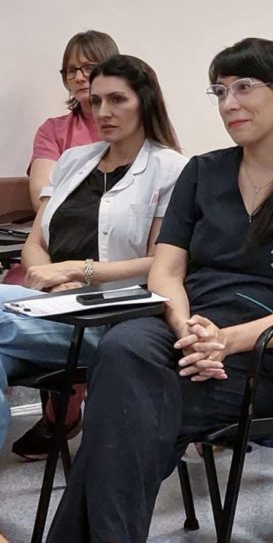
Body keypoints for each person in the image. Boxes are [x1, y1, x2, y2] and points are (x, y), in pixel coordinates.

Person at [46, 38, 273, 543]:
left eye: (244, 87)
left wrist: (228, 341)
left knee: (123, 412)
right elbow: (166, 273)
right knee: (124, 346)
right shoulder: (203, 171)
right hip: (184, 327)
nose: (229, 103)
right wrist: (187, 327)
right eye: (219, 91)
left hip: (263, 351)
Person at [0, 54, 186, 456]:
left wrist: (80, 272)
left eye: (118, 100)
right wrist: (49, 277)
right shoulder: (73, 161)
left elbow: (163, 262)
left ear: (146, 101)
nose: (103, 111)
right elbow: (36, 241)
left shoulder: (171, 169)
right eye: (97, 101)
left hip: (117, 317)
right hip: (50, 304)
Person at [28, 30, 120, 210]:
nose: (78, 78)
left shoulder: (137, 125)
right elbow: (41, 196)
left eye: (89, 68)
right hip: (68, 229)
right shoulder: (52, 130)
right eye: (71, 70)